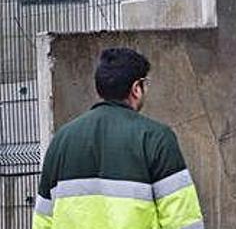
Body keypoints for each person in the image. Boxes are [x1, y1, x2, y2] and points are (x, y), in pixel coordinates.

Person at [32, 47, 204, 229]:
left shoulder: (61, 140)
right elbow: (182, 220)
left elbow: (43, 220)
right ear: (136, 88)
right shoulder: (156, 138)